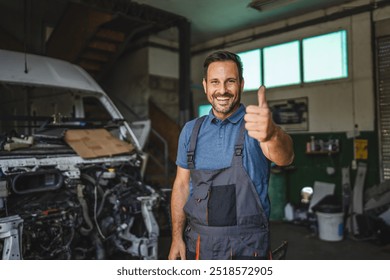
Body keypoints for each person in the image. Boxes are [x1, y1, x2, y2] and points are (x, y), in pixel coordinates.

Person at [168, 50, 294, 260]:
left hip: (247, 249)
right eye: (215, 82)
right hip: (199, 247)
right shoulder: (190, 131)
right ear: (205, 85)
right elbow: (181, 185)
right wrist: (176, 238)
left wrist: (272, 134)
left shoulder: (256, 126)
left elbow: (286, 157)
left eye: (230, 81)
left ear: (241, 84)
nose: (222, 90)